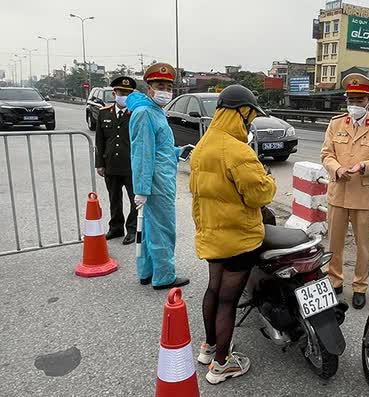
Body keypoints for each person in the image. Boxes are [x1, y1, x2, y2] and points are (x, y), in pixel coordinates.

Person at [190, 85, 276, 385]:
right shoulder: (238, 150)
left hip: (212, 235)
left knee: (213, 289)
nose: (250, 122)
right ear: (241, 112)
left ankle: (209, 346)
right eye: (250, 117)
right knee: (228, 300)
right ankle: (222, 364)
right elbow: (258, 195)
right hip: (239, 239)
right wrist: (267, 179)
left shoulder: (202, 146)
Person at [321, 73, 369, 309]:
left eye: (360, 100)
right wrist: (337, 168)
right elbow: (326, 154)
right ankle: (335, 280)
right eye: (351, 99)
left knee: (364, 246)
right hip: (338, 192)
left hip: (364, 195)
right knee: (334, 243)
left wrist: (364, 166)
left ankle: (360, 286)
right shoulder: (336, 123)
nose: (355, 105)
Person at [126, 63, 189, 290]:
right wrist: (141, 189)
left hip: (161, 177)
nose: (165, 90)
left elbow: (159, 148)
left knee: (152, 227)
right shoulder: (144, 113)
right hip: (156, 181)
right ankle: (163, 276)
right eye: (160, 85)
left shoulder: (155, 111)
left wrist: (178, 152)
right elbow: (142, 154)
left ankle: (147, 271)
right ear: (149, 88)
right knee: (163, 229)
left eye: (169, 86)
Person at [94, 76, 137, 245]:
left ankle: (132, 229)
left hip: (131, 165)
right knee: (114, 198)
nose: (124, 95)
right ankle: (116, 227)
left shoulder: (136, 114)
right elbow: (99, 141)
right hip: (111, 164)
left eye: (127, 93)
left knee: (135, 199)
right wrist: (100, 163)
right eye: (121, 92)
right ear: (114, 93)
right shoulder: (104, 113)